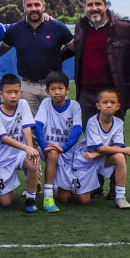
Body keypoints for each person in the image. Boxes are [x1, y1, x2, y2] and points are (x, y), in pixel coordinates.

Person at [63, 0, 130, 123]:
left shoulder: (124, 28)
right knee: (90, 140)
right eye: (90, 5)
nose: (94, 8)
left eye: (98, 4)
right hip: (86, 95)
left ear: (106, 6)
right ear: (84, 7)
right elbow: (75, 49)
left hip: (112, 95)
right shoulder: (81, 26)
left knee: (114, 141)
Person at [1, 0, 73, 114]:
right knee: (29, 128)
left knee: (58, 127)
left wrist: (60, 57)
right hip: (27, 87)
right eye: (29, 5)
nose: (33, 8)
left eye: (37, 4)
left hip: (53, 86)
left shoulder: (58, 27)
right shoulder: (15, 30)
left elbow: (76, 48)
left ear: (43, 6)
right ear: (23, 7)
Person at [59, 89, 130, 209]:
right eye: (105, 102)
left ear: (118, 106)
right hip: (84, 161)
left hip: (98, 158)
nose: (109, 105)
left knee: (119, 157)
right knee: (81, 200)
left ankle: (120, 197)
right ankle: (69, 184)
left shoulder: (118, 122)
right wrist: (125, 150)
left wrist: (98, 155)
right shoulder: (92, 122)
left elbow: (117, 146)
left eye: (113, 102)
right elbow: (99, 148)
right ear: (98, 106)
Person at [33, 70, 82, 213]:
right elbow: (38, 126)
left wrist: (64, 148)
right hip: (48, 149)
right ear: (47, 91)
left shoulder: (74, 106)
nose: (57, 92)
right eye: (53, 89)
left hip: (66, 151)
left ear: (67, 90)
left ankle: (59, 186)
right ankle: (48, 198)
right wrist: (44, 147)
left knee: (65, 198)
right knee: (53, 153)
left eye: (60, 88)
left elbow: (77, 129)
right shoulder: (46, 103)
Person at [0, 73, 40, 213]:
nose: (13, 96)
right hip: (4, 159)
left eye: (16, 92)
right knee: (5, 203)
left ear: (21, 93)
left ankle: (31, 198)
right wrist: (26, 147)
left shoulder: (23, 104)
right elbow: (4, 138)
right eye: (9, 92)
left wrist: (30, 150)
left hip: (20, 155)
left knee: (33, 161)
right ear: (1, 94)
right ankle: (10, 183)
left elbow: (27, 127)